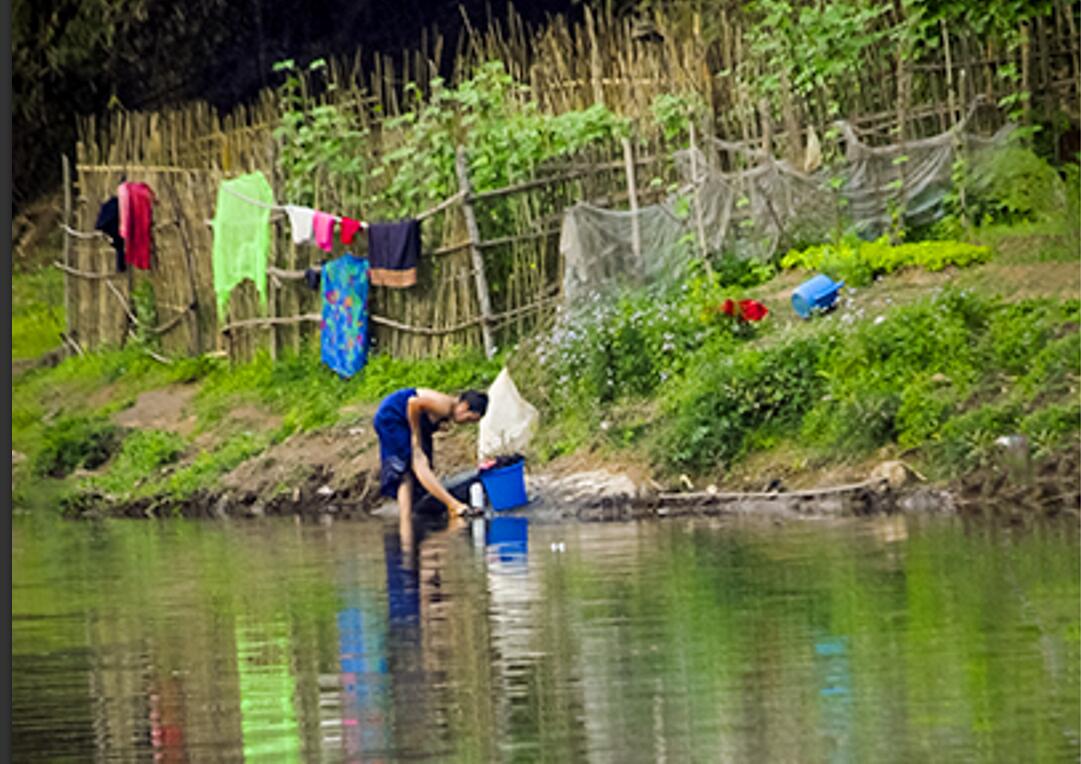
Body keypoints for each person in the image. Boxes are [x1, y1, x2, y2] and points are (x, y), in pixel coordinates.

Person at [373, 387, 488, 541]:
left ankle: (409, 521)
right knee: (410, 466)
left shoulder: (446, 412)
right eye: (468, 419)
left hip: (407, 421)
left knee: (420, 464)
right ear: (464, 406)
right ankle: (450, 506)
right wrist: (415, 437)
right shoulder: (444, 405)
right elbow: (413, 404)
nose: (464, 424)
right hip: (393, 417)